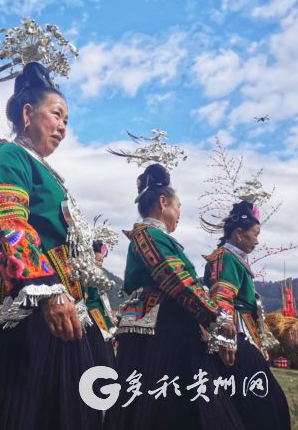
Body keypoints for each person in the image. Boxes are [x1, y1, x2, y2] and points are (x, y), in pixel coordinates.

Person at [0, 62, 101, 430]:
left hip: (58, 298)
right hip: (29, 303)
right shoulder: (10, 155)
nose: (63, 127)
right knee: (11, 409)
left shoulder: (48, 172)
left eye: (67, 120)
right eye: (56, 114)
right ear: (28, 114)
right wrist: (46, 290)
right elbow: (7, 217)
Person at [103, 163, 244, 430]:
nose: (179, 213)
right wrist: (216, 317)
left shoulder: (158, 238)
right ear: (163, 202)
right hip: (159, 332)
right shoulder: (147, 235)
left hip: (172, 327)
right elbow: (176, 278)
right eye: (178, 206)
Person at [203, 200, 290, 430]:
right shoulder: (225, 258)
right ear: (239, 234)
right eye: (255, 234)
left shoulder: (233, 259)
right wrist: (227, 336)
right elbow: (222, 295)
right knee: (262, 402)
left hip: (244, 334)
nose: (257, 240)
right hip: (236, 337)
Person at [84, 240, 116, 369]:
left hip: (100, 315)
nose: (100, 264)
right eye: (98, 260)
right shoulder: (86, 273)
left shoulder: (99, 275)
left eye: (102, 261)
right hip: (91, 316)